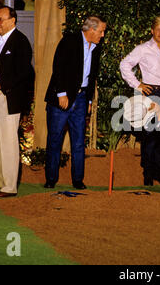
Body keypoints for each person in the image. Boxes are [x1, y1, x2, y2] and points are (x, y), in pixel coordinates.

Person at [44, 16, 106, 190]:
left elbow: (92, 76)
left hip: (81, 98)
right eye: (101, 31)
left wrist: (88, 100)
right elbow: (58, 67)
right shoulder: (70, 40)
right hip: (61, 97)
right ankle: (51, 178)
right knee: (55, 139)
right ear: (91, 30)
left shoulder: (96, 47)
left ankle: (78, 180)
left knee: (78, 142)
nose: (102, 35)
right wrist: (62, 93)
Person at [0, 6, 34, 198]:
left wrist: (0, 84)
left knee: (8, 142)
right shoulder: (0, 41)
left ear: (13, 20)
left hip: (8, 97)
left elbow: (24, 72)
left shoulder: (20, 41)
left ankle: (10, 186)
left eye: (1, 19)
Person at [120, 16, 160, 186]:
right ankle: (148, 174)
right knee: (150, 135)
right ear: (152, 31)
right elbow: (124, 65)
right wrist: (138, 85)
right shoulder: (143, 49)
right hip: (150, 93)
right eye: (157, 29)